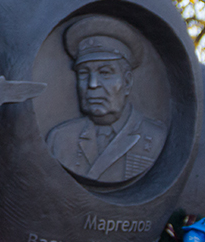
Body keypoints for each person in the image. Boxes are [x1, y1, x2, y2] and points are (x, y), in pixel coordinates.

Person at [45, 14, 166, 183]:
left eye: (105, 73)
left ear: (127, 81)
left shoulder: (156, 138)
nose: (92, 84)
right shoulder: (60, 139)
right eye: (84, 73)